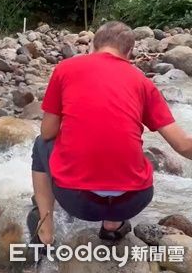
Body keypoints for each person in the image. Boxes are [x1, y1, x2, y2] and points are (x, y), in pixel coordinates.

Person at [28, 21, 192, 246]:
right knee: (132, 150)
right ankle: (113, 225)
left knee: (40, 144)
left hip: (77, 202)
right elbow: (183, 145)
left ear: (93, 45)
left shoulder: (66, 69)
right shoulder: (143, 83)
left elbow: (47, 132)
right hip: (134, 200)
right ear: (129, 52)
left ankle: (45, 231)